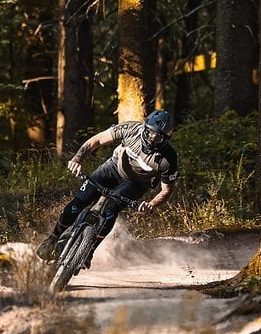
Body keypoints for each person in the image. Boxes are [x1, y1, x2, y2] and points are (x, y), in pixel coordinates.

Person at [36, 109, 179, 265]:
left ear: (166, 139)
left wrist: (151, 204)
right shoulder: (130, 129)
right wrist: (77, 159)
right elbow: (97, 140)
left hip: (136, 184)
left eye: (159, 137)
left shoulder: (168, 160)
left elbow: (167, 190)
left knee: (110, 211)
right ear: (144, 127)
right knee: (78, 203)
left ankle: (88, 251)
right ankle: (53, 238)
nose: (153, 139)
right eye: (150, 133)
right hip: (112, 169)